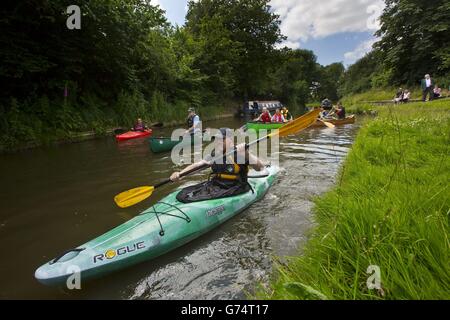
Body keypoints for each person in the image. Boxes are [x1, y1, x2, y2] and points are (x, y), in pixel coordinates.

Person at [170, 128, 266, 203]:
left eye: (222, 139)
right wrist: (180, 174)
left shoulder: (240, 152)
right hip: (217, 184)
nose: (218, 141)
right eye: (216, 139)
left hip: (236, 186)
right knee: (184, 194)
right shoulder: (215, 153)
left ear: (231, 139)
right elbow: (199, 164)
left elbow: (260, 167)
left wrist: (246, 153)